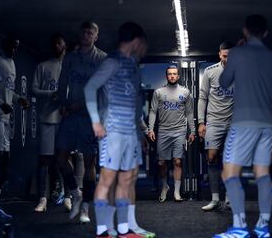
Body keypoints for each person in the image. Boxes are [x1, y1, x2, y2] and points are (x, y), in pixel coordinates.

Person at [214, 14, 272, 238]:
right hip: (267, 122)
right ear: (266, 33)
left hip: (243, 122)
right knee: (263, 174)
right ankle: (263, 226)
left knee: (229, 173)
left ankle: (240, 226)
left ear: (245, 31)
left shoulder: (238, 54)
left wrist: (236, 58)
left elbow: (223, 83)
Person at [84, 21, 148, 238]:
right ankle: (102, 231)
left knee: (126, 180)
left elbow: (135, 101)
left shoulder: (131, 64)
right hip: (112, 130)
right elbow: (90, 87)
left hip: (130, 132)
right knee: (107, 179)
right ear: (137, 41)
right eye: (143, 43)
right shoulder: (112, 62)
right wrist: (95, 121)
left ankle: (123, 229)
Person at [56, 22, 107, 223]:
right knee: (60, 157)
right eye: (84, 32)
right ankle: (75, 194)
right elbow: (62, 83)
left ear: (96, 36)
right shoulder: (71, 58)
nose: (86, 35)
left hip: (91, 117)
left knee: (89, 162)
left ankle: (85, 208)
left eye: (90, 32)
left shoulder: (102, 59)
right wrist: (62, 103)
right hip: (70, 115)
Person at [0, 35, 29, 207]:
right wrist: (1, 103)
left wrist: (18, 99)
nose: (13, 50)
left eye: (16, 47)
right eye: (11, 46)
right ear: (3, 44)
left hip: (5, 118)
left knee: (4, 160)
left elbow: (8, 91)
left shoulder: (12, 63)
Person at [32, 33, 70, 213]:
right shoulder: (42, 66)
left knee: (64, 159)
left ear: (64, 47)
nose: (57, 45)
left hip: (64, 121)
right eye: (54, 43)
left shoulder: (69, 68)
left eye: (59, 43)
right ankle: (42, 199)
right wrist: (50, 94)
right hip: (47, 119)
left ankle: (69, 197)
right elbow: (33, 89)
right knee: (44, 160)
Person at [148, 65, 195, 203]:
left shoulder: (185, 92)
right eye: (170, 74)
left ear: (178, 76)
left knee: (177, 161)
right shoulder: (158, 92)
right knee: (162, 162)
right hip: (163, 130)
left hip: (180, 130)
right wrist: (150, 128)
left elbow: (190, 113)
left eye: (175, 74)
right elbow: (152, 111)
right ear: (166, 76)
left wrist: (192, 131)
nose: (172, 76)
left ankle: (176, 192)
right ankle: (164, 186)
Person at [198, 41, 234, 211]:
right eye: (225, 56)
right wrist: (200, 122)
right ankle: (215, 199)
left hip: (235, 123)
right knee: (211, 157)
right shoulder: (210, 71)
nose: (227, 59)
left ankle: (229, 198)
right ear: (220, 54)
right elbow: (203, 97)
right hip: (214, 121)